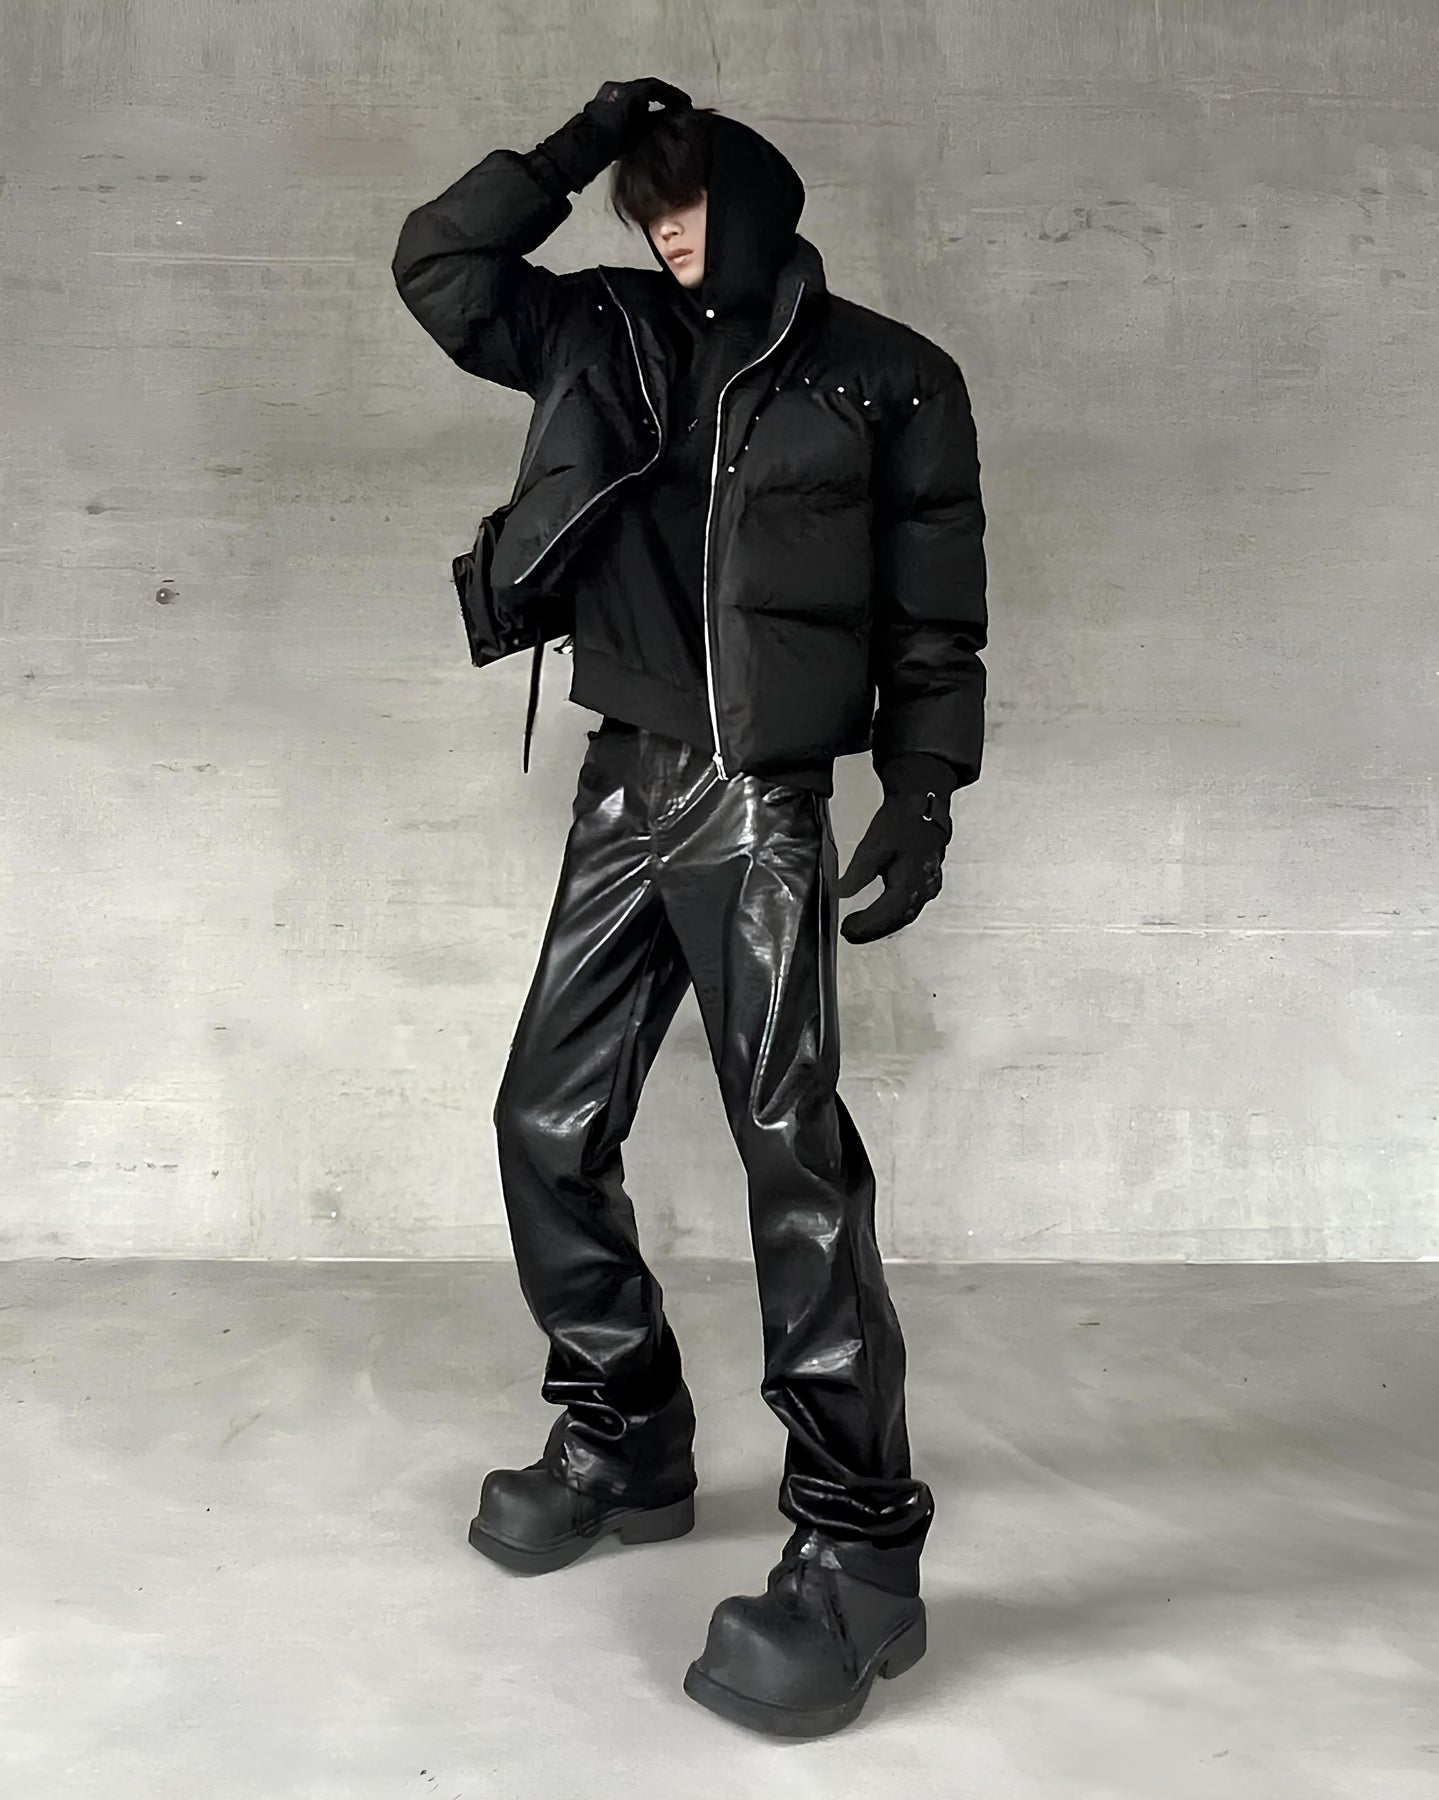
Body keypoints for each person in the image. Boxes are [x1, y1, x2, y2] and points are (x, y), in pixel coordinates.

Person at [391, 77, 988, 1738]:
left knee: (792, 1158)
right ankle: (626, 1428)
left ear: (759, 200)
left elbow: (937, 609)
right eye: (642, 206)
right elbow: (438, 266)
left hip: (759, 806)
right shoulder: (598, 330)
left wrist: (924, 792)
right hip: (623, 785)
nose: (664, 231)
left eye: (687, 200)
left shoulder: (890, 376)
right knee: (544, 1119)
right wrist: (570, 148)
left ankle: (861, 1555)